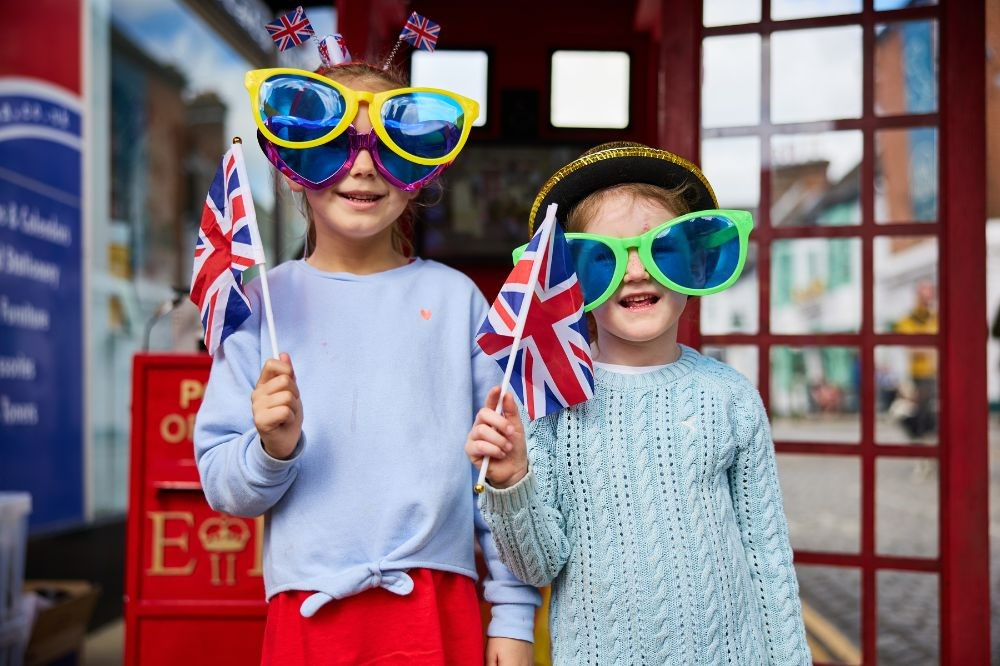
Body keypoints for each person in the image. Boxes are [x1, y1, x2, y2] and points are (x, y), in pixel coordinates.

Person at [194, 44, 539, 665]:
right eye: (338, 143)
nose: (363, 167)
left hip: (438, 604)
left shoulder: (456, 300)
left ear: (421, 168)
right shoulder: (261, 305)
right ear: (295, 161)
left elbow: (498, 471)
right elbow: (225, 490)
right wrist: (271, 449)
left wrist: (512, 616)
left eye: (388, 145)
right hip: (309, 611)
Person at [465, 142, 811, 664]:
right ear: (568, 280)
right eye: (602, 259)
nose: (635, 272)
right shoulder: (550, 399)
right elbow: (539, 565)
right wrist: (512, 482)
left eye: (661, 249)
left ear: (696, 264)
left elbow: (768, 560)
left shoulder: (731, 397)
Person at [893, 280, 938, 440]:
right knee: (915, 415)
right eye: (922, 295)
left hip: (937, 374)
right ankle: (920, 446)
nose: (927, 299)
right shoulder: (908, 320)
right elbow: (909, 348)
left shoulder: (937, 318)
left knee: (933, 416)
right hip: (916, 375)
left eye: (929, 295)